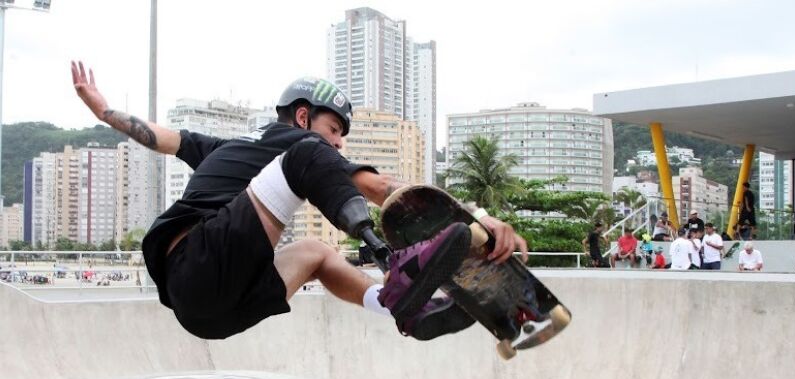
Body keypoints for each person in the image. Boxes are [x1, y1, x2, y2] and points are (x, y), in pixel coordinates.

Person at [72, 61, 527, 342]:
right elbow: (383, 188)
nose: (339, 147)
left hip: (209, 314)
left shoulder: (228, 149)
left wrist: (104, 111)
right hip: (198, 261)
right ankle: (393, 262)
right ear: (304, 115)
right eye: (334, 132)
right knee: (308, 155)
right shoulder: (296, 142)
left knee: (314, 252)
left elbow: (158, 138)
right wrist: (477, 218)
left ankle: (396, 306)